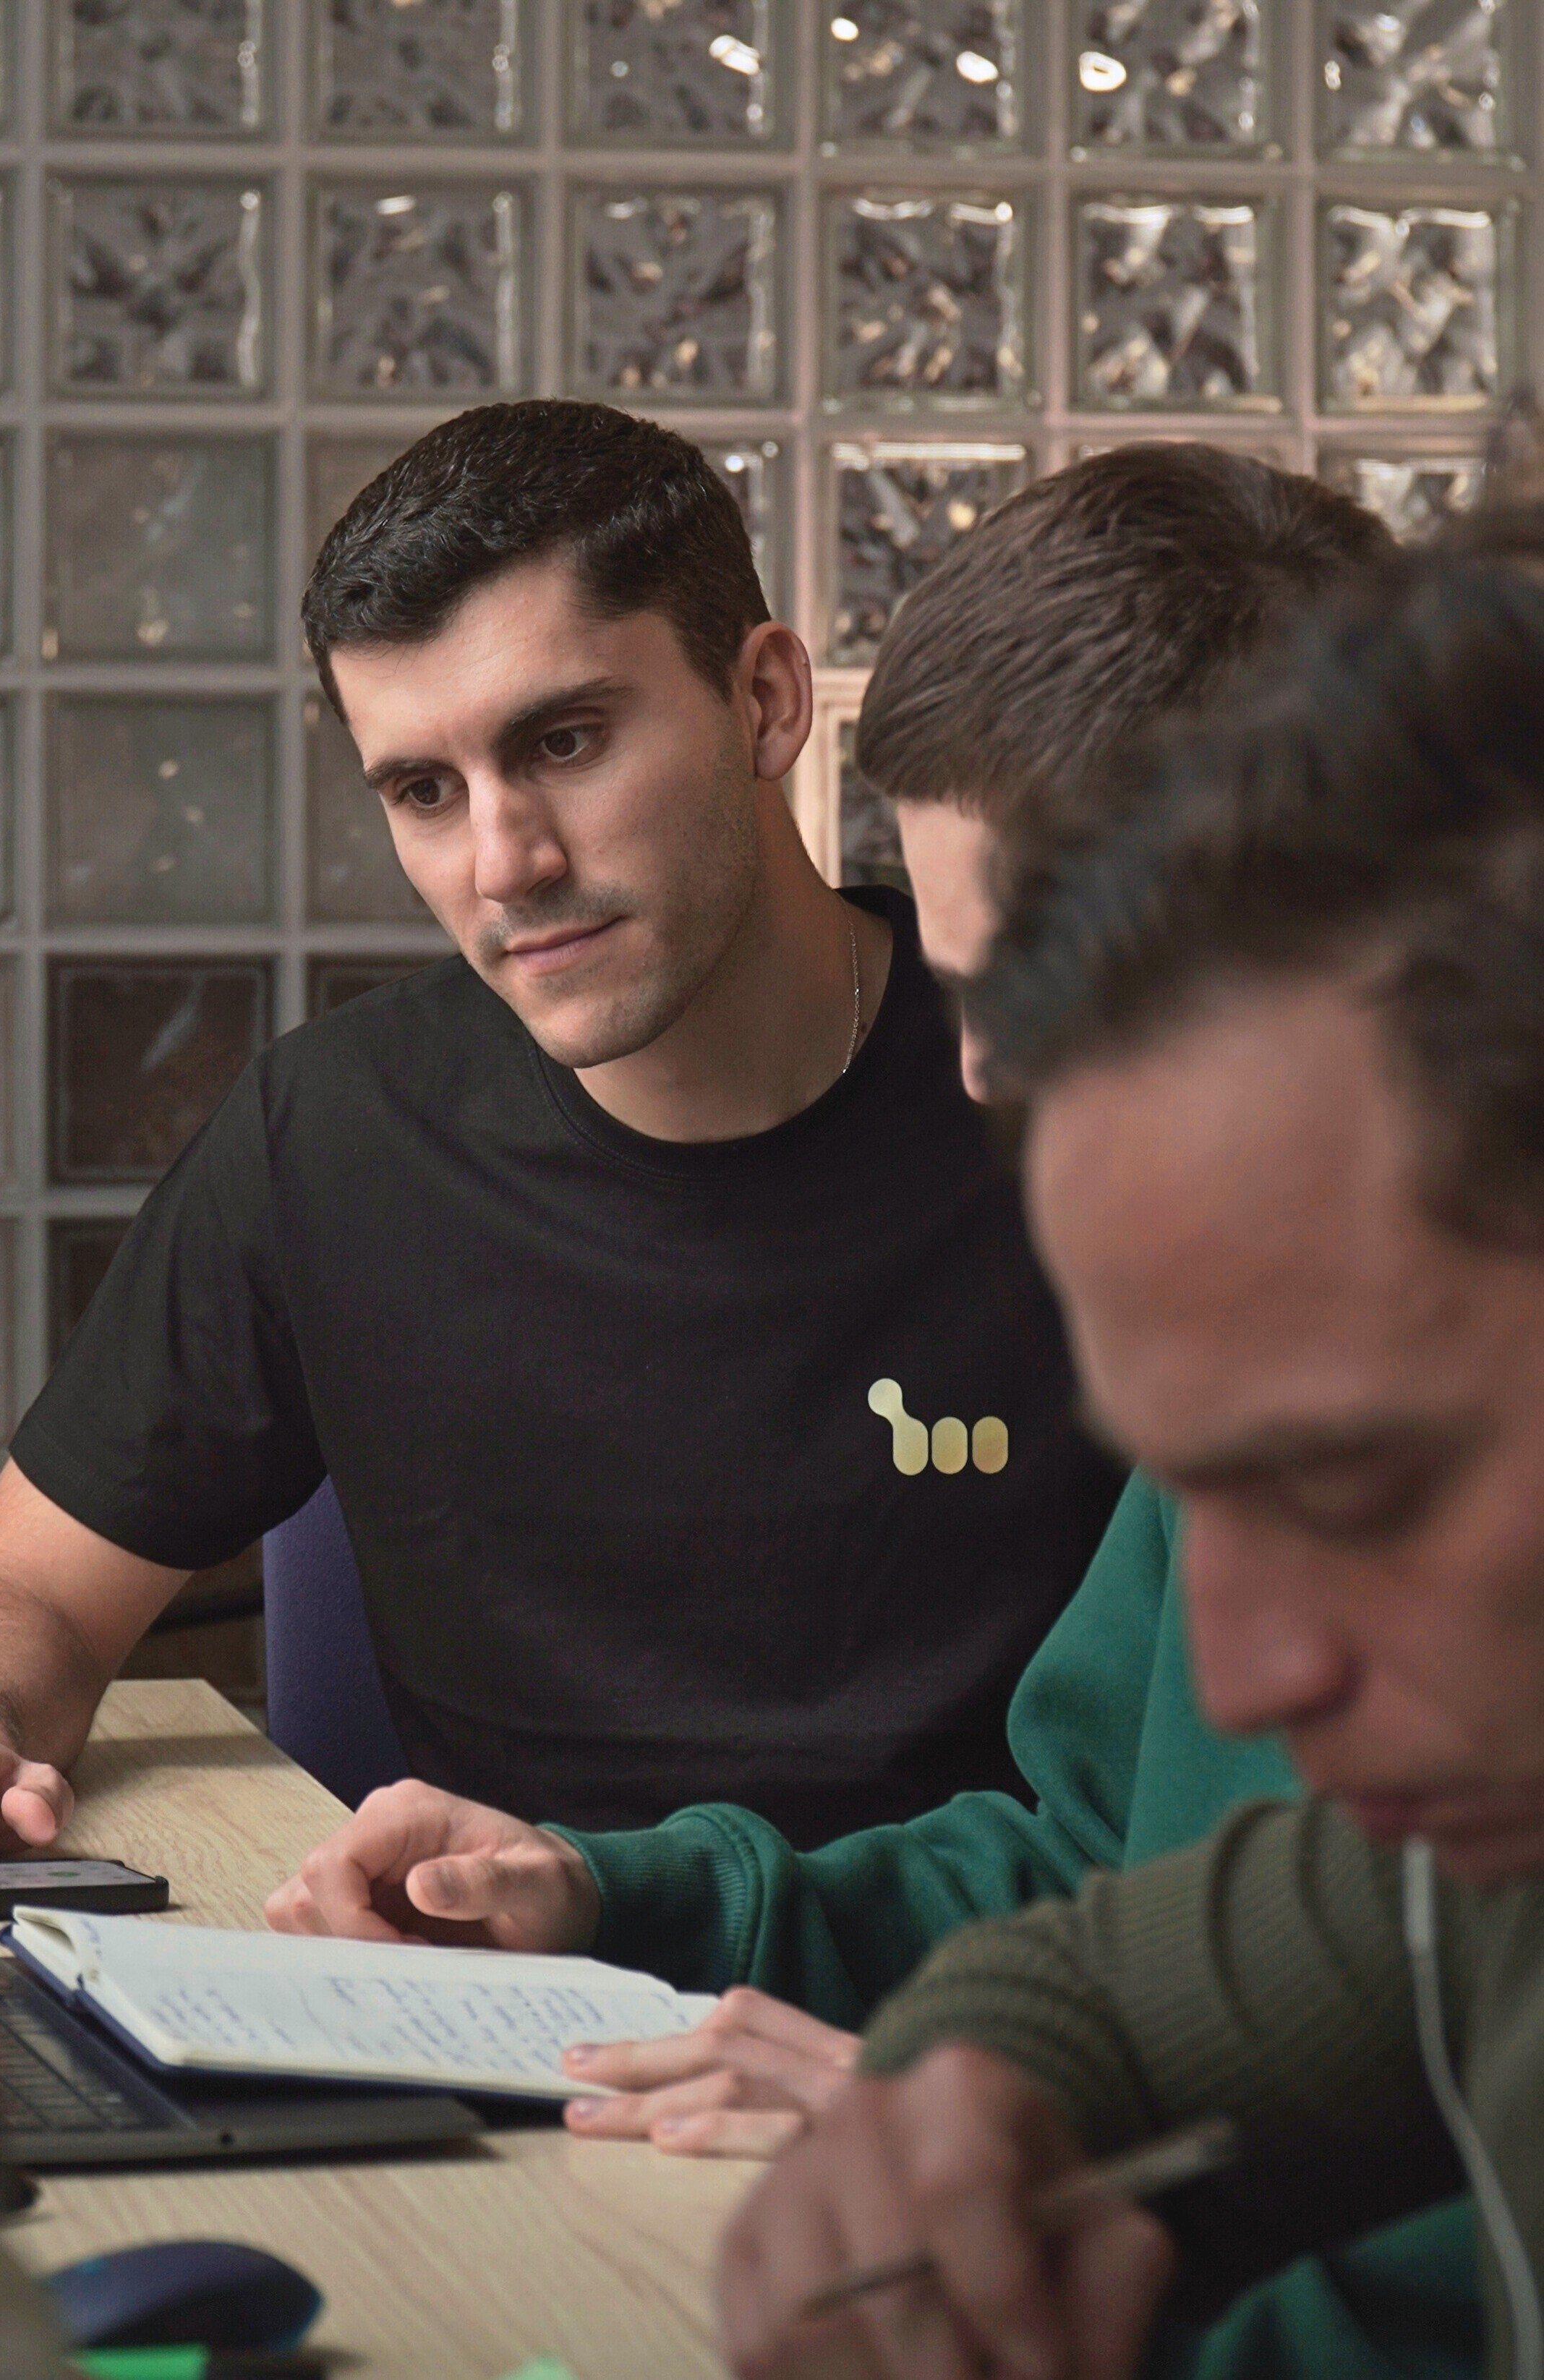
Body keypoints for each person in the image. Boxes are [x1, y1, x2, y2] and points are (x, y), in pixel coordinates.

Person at [273, 453, 1481, 2376]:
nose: (986, 1069)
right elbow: (1191, 1889)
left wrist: (1091, 2222)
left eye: (1053, 991)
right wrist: (651, 1906)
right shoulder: (1270, 1287)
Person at [0, 400, 1121, 1859]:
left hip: (993, 2015)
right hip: (506, 2030)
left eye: (562, 740)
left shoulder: (1070, 1094)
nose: (505, 862)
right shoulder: (334, 1135)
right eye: (424, 791)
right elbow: (31, 1591)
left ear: (764, 700)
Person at [716, 524, 1544, 2380]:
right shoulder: (1482, 1860)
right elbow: (1110, 1969)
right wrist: (961, 2099)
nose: (1240, 1670)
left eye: (1355, 1484)